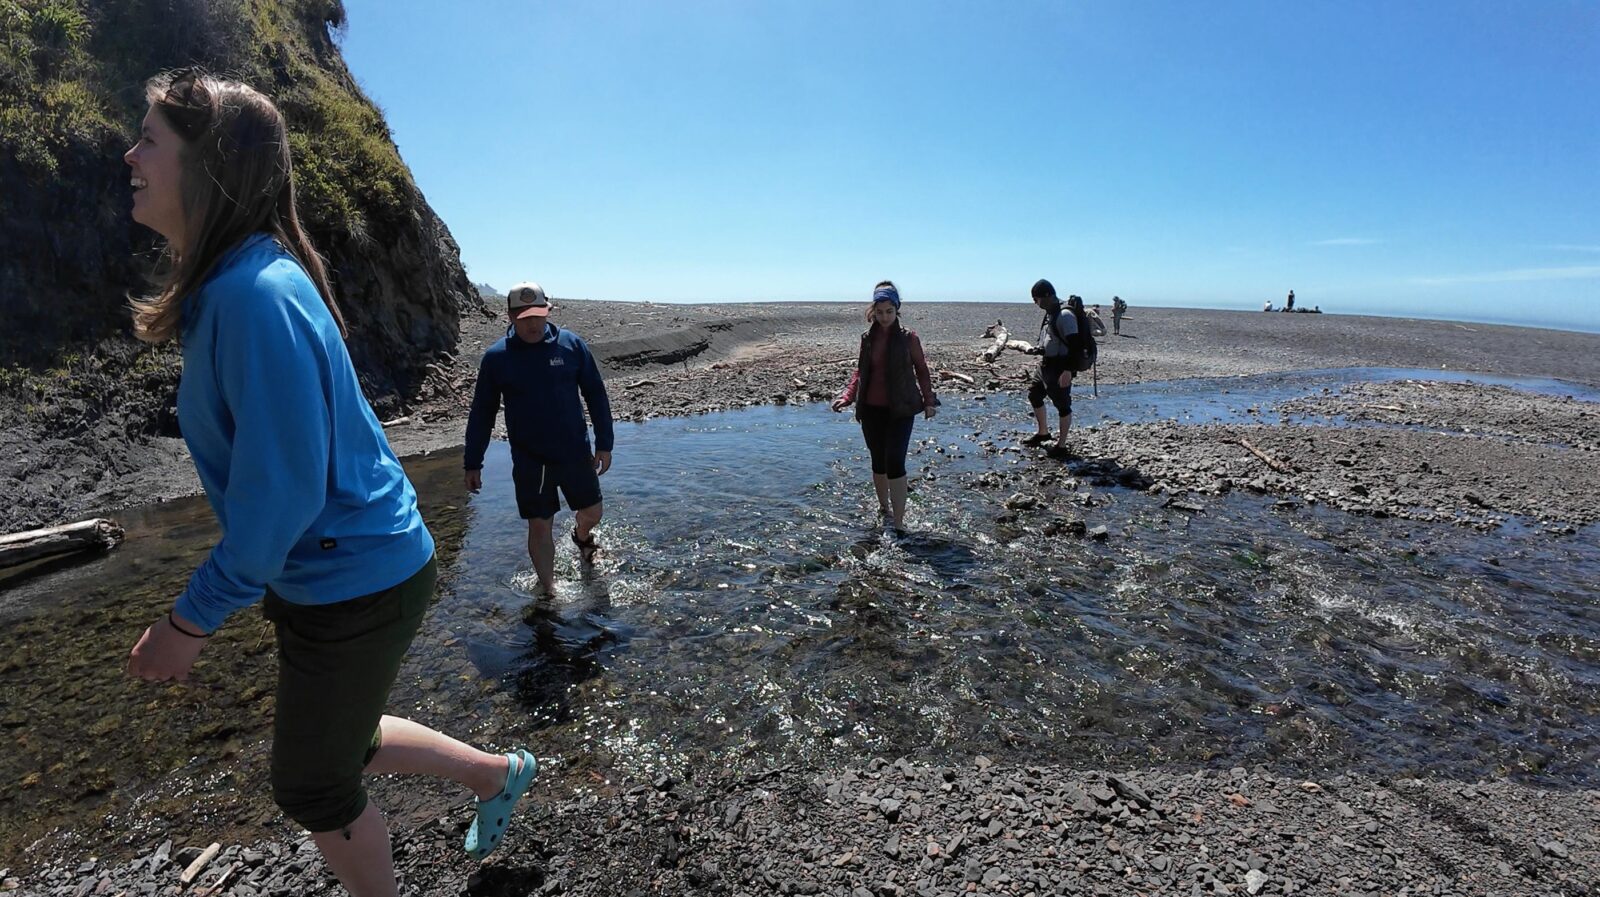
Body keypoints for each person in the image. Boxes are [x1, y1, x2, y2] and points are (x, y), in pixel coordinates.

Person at [122, 68, 533, 897]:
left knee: (312, 782)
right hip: (349, 567)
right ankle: (499, 773)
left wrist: (187, 621)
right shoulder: (238, 284)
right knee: (337, 740)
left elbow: (281, 498)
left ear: (208, 166)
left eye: (150, 141)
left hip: (358, 573)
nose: (130, 155)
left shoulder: (251, 295)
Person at [464, 282, 614, 597]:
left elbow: (596, 395)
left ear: (548, 312)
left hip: (574, 452)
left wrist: (604, 443)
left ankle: (581, 535)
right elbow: (482, 412)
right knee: (540, 524)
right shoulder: (497, 358)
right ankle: (549, 590)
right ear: (509, 316)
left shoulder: (570, 346)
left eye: (537, 315)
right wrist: (473, 461)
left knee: (594, 511)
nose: (531, 324)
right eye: (522, 317)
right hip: (532, 460)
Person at [830, 281, 939, 531]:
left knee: (895, 461)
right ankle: (884, 509)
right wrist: (848, 395)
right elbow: (860, 371)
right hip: (871, 409)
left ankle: (899, 523)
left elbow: (922, 370)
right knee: (877, 460)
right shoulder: (867, 338)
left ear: (897, 309)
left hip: (901, 409)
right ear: (873, 311)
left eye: (889, 311)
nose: (884, 316)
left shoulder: (909, 338)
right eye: (879, 312)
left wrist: (929, 401)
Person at [1022, 279, 1078, 454]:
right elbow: (1051, 339)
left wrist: (1068, 371)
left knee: (1062, 405)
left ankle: (1061, 446)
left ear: (1047, 296)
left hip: (1060, 367)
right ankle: (1043, 433)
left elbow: (1074, 346)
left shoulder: (1065, 315)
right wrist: (1039, 349)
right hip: (1045, 365)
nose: (1035, 303)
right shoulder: (1050, 313)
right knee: (1034, 395)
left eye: (1036, 298)